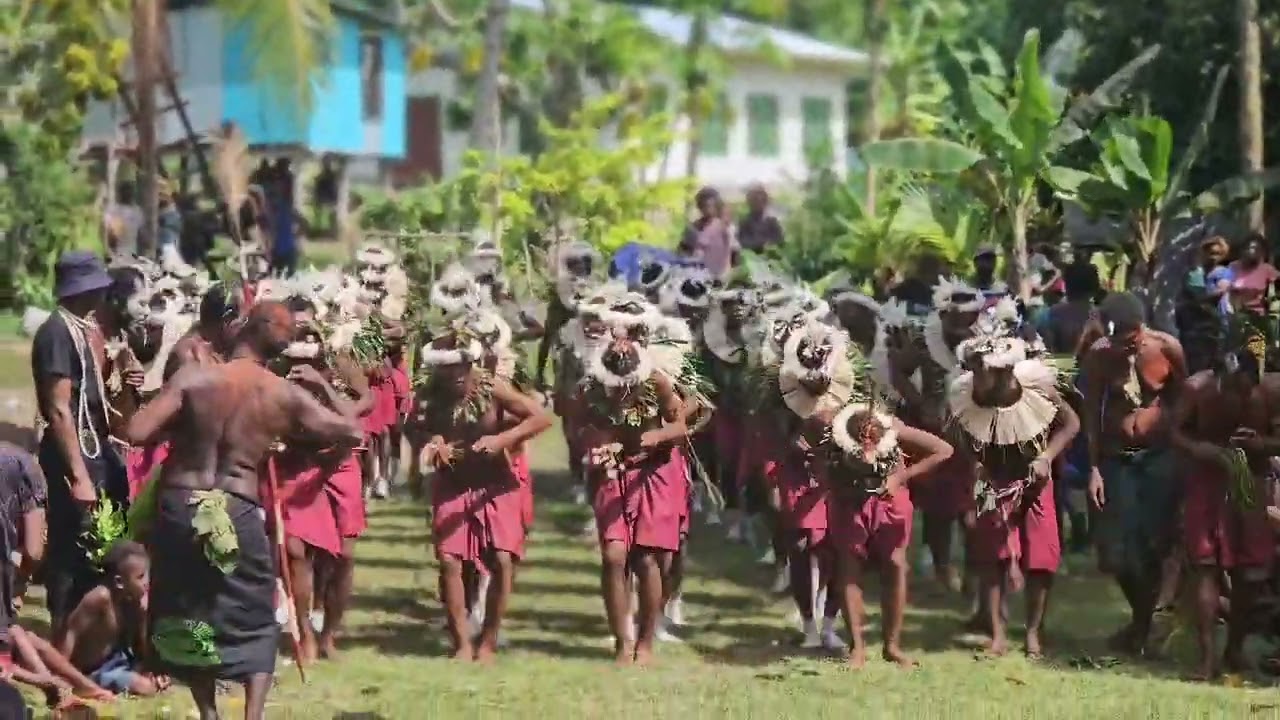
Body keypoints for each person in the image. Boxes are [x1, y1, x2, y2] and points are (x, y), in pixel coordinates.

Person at [123, 300, 363, 720]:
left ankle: (209, 712)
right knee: (252, 611)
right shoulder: (281, 394)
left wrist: (185, 425)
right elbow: (351, 430)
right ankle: (252, 715)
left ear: (242, 329)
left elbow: (137, 431)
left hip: (182, 501)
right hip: (237, 505)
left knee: (188, 606)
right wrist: (320, 394)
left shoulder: (194, 378)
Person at [418, 329, 552, 662]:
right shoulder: (431, 392)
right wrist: (436, 443)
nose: (456, 374)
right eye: (448, 369)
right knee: (450, 560)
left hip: (497, 481)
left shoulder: (492, 388)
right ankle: (461, 642)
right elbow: (419, 424)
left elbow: (540, 417)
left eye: (462, 366)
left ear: (471, 361)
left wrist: (502, 441)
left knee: (503, 560)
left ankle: (489, 640)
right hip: (454, 481)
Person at [566, 308, 687, 665]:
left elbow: (680, 427)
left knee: (648, 559)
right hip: (612, 473)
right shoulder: (589, 389)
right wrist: (599, 447)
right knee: (614, 555)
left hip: (656, 472)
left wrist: (652, 437)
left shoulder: (657, 382)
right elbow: (578, 428)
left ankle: (646, 642)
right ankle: (622, 640)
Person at [949, 332, 1080, 657]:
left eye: (984, 370)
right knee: (992, 558)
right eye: (974, 368)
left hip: (1035, 480)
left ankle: (1033, 631)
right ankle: (997, 633)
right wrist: (975, 465)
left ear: (1004, 371)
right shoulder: (963, 394)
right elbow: (957, 433)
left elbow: (1071, 423)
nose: (977, 375)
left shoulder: (1037, 388)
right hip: (993, 481)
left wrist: (1047, 456)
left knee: (1040, 559)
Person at [32, 252, 135, 632]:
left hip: (94, 448)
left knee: (95, 545)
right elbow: (59, 409)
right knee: (68, 548)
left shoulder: (82, 328)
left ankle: (90, 632)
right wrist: (79, 475)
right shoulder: (57, 333)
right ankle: (64, 632)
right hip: (72, 455)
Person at [1081, 291, 1187, 655]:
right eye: (1119, 343)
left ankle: (1142, 630)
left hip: (1159, 458)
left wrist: (1176, 435)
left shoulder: (1167, 348)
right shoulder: (1099, 357)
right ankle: (1142, 623)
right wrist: (1094, 467)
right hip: (1117, 459)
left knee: (1154, 545)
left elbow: (1185, 395)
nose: (1127, 350)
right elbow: (1091, 413)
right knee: (1117, 552)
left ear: (1141, 329)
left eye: (1132, 343)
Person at [1171, 321, 1276, 680]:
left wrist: (1263, 445)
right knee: (1205, 564)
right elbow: (1174, 431)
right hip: (1208, 478)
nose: (1244, 392)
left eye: (1250, 385)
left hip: (1249, 477)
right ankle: (1207, 657)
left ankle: (1233, 648)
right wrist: (1202, 449)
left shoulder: (1271, 391)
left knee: (1250, 572)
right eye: (1237, 384)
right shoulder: (1197, 389)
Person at [271, 295, 373, 661]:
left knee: (342, 555)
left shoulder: (338, 361)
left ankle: (329, 633)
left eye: (308, 330)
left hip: (339, 463)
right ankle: (303, 636)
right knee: (296, 551)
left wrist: (323, 384)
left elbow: (361, 407)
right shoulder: (274, 368)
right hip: (295, 464)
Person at [825, 403, 953, 667]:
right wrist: (846, 483)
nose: (868, 445)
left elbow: (944, 450)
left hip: (891, 504)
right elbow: (823, 471)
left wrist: (901, 477)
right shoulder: (835, 436)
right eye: (862, 440)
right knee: (849, 567)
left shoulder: (895, 429)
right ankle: (857, 648)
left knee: (896, 564)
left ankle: (892, 646)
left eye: (873, 438)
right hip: (850, 504)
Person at [56, 541, 169, 696]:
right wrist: (61, 675)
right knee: (145, 687)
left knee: (155, 678)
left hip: (120, 660)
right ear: (119, 582)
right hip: (95, 670)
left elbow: (140, 648)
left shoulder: (131, 601)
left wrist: (143, 615)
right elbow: (71, 632)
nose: (146, 583)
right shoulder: (100, 598)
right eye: (140, 577)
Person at [1179, 236, 1233, 374]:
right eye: (1210, 253)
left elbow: (1220, 291)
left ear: (1222, 255)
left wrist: (1200, 299)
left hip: (1219, 318)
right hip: (1197, 322)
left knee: (1219, 355)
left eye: (1217, 253)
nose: (1213, 257)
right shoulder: (1196, 273)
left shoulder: (1224, 272)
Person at [678, 187, 737, 279]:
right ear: (699, 206)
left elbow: (734, 253)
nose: (706, 209)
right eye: (703, 205)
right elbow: (682, 252)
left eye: (710, 205)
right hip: (696, 272)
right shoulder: (692, 229)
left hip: (721, 274)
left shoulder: (727, 227)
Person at [1226, 233, 1277, 318]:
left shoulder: (1267, 270)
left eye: (1257, 249)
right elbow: (1225, 290)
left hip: (1258, 317)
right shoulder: (1233, 267)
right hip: (1233, 314)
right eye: (1249, 248)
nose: (1252, 251)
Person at [737, 183, 784, 254]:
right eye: (755, 200)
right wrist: (762, 244)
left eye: (762, 200)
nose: (758, 203)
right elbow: (743, 242)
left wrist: (767, 245)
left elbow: (779, 240)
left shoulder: (772, 221)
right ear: (750, 202)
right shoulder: (745, 221)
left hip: (770, 260)